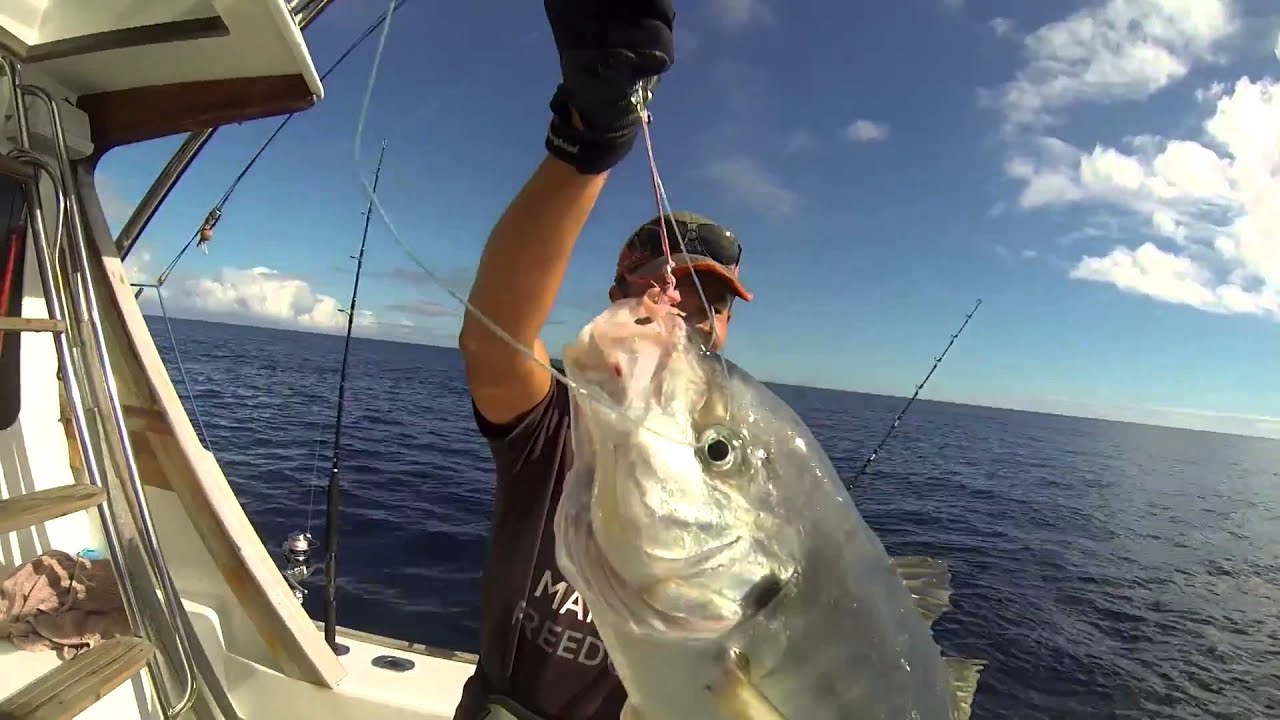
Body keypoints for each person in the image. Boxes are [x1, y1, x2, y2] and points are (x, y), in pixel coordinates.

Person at [453, 2, 752, 719]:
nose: (676, 309)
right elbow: (495, 344)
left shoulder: (743, 472)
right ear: (615, 298)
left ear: (728, 328)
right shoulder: (555, 431)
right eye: (654, 285)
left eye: (706, 302)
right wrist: (588, 142)